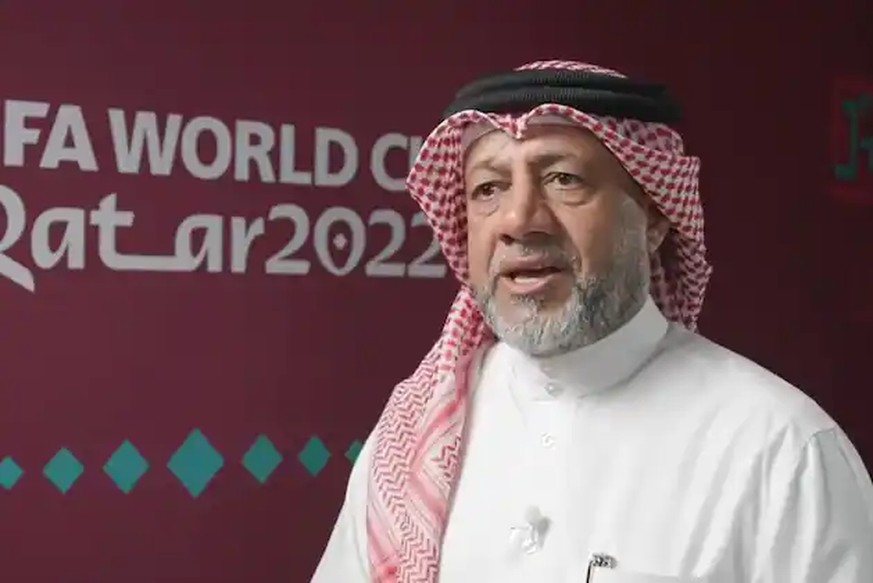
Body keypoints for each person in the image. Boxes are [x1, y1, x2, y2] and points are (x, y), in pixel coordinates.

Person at [311, 60, 873, 583]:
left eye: (563, 179)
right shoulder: (414, 436)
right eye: (488, 189)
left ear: (653, 216)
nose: (519, 220)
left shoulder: (780, 449)